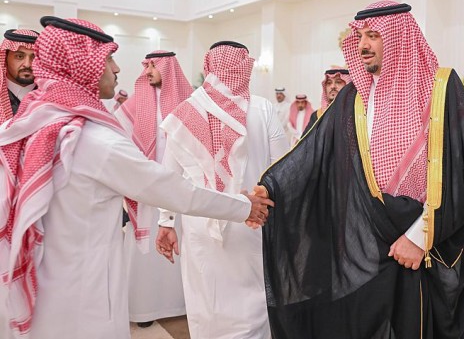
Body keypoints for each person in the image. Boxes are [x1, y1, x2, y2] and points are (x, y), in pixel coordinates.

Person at [0, 17, 273, 339]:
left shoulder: (32, 122)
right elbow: (171, 189)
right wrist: (244, 206)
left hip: (36, 281)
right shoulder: (91, 139)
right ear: (83, 67)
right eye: (108, 60)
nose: (117, 69)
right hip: (81, 295)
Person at [254, 1, 464, 339]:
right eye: (360, 36)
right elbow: (313, 153)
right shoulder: (353, 96)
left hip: (417, 239)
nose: (363, 44)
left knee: (413, 325)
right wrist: (270, 189)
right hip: (365, 233)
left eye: (373, 35)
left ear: (398, 36)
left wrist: (420, 237)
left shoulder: (441, 88)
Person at [156, 41, 288, 339]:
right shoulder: (263, 108)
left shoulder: (185, 111)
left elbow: (169, 177)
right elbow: (283, 167)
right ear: (245, 67)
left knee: (206, 298)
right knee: (253, 300)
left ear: (209, 66)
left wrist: (166, 221)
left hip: (201, 221)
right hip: (255, 218)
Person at [114, 50, 193, 328]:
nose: (147, 71)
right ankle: (144, 309)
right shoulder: (136, 102)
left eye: (153, 66)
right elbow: (118, 137)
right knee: (146, 249)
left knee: (183, 243)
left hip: (181, 187)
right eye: (145, 65)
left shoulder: (189, 102)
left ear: (168, 68)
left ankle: (182, 304)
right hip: (147, 188)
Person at [0, 29, 39, 123]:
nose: (27, 64)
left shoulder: (53, 96)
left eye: (34, 57)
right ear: (5, 59)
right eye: (19, 56)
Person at [302, 67, 351, 135]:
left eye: (338, 82)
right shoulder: (318, 116)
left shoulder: (356, 114)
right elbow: (306, 140)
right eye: (329, 83)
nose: (332, 86)